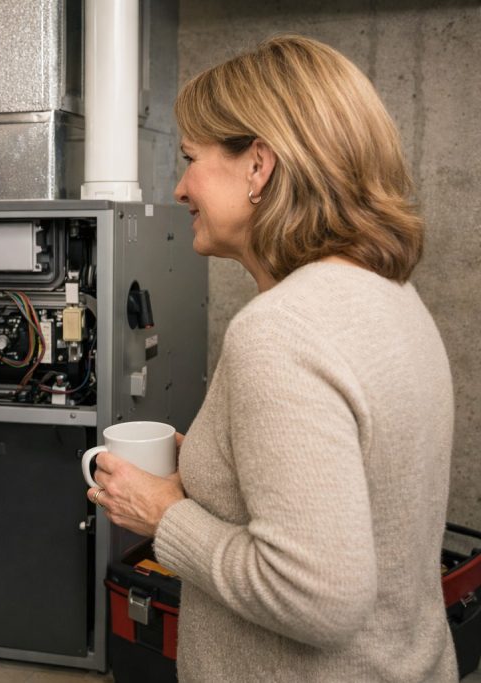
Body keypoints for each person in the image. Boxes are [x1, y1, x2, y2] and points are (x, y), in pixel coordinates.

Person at [86, 35, 457, 681]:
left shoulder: (281, 329)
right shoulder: (388, 293)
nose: (179, 187)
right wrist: (210, 460)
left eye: (191, 158)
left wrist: (163, 515)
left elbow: (316, 596)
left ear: (258, 166)